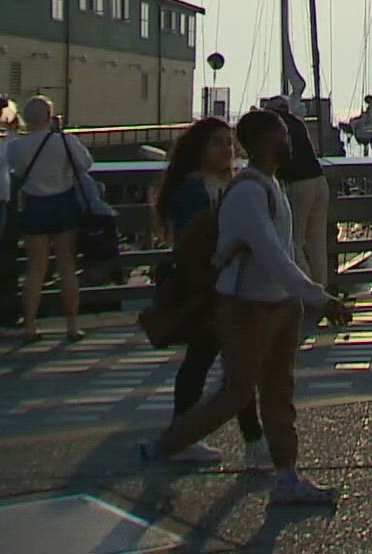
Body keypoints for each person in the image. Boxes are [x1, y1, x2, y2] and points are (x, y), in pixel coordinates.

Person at [143, 109, 353, 506]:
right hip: (246, 307)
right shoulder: (249, 192)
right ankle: (165, 444)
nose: (290, 143)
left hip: (280, 305)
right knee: (236, 393)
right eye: (283, 136)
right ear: (263, 143)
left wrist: (302, 298)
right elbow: (273, 256)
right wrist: (319, 297)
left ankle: (287, 475)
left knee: (278, 393)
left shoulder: (270, 185)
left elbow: (284, 253)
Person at [150, 117, 266, 467]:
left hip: (227, 284)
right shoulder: (193, 189)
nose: (227, 149)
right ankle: (251, 442)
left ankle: (191, 434)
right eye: (217, 143)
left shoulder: (228, 182)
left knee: (219, 364)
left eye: (229, 143)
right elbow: (195, 241)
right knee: (227, 365)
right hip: (209, 286)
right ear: (198, 149)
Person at [5, 95, 99, 343]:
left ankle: (30, 326)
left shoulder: (18, 146)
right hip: (63, 205)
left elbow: (15, 167)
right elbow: (85, 164)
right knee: (67, 266)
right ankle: (72, 325)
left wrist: (14, 135)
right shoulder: (64, 141)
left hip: (34, 206)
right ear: (51, 117)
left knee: (35, 267)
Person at [262, 96, 331, 284]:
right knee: (317, 244)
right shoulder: (298, 123)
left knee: (295, 242)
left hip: (299, 183)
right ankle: (321, 293)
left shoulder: (274, 126)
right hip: (319, 180)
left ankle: (306, 290)